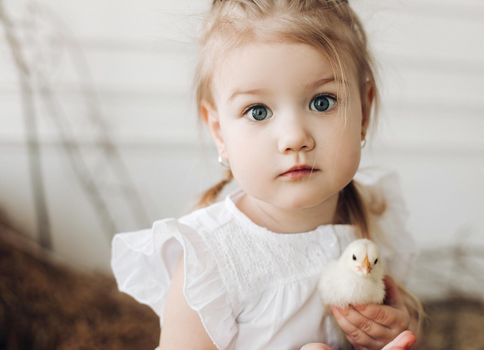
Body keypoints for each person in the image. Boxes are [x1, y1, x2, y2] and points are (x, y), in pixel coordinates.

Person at [111, 0, 424, 349]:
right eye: (258, 111)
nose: (294, 138)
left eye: (322, 102)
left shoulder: (374, 216)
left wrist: (395, 326)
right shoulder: (210, 264)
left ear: (364, 110)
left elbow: (402, 316)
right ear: (219, 130)